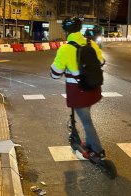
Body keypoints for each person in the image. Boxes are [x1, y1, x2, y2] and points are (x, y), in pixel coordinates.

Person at [50, 17, 106, 160]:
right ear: (80, 28)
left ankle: (98, 151)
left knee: (87, 122)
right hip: (93, 87)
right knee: (87, 118)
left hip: (78, 91)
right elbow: (101, 62)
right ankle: (90, 143)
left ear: (66, 31)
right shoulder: (91, 43)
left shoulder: (65, 48)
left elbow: (55, 74)